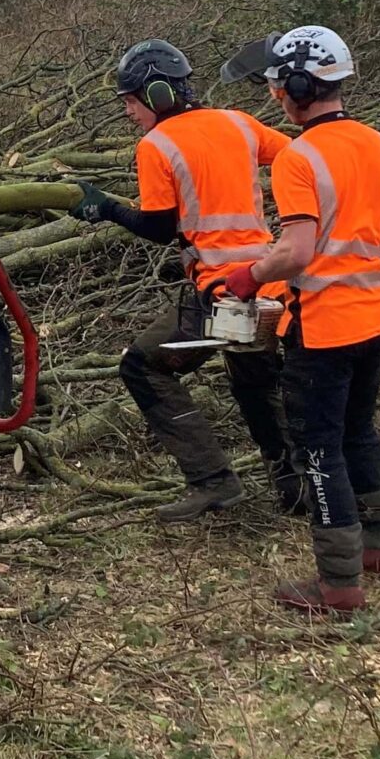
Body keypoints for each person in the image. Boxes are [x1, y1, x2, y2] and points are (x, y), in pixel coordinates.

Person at [216, 26, 380, 620]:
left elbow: (297, 251)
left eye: (278, 86)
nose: (275, 96)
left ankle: (338, 585)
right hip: (375, 319)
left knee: (319, 448)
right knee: (360, 429)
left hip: (322, 326)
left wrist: (251, 275)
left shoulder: (299, 158)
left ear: (298, 88)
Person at [71, 39, 298, 521]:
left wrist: (107, 208)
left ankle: (212, 480)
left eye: (131, 101)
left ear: (155, 94)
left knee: (143, 365)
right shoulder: (238, 122)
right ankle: (294, 487)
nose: (130, 112)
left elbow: (157, 226)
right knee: (257, 383)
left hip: (222, 294)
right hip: (267, 283)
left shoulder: (157, 145)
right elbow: (299, 159)